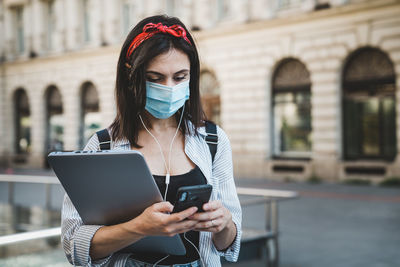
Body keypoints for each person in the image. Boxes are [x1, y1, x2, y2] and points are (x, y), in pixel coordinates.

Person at [61, 15, 242, 267]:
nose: (169, 88)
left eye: (180, 77)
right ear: (131, 77)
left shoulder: (213, 140)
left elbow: (228, 245)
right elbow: (74, 245)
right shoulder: (102, 146)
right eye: (155, 78)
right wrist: (138, 228)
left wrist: (223, 224)